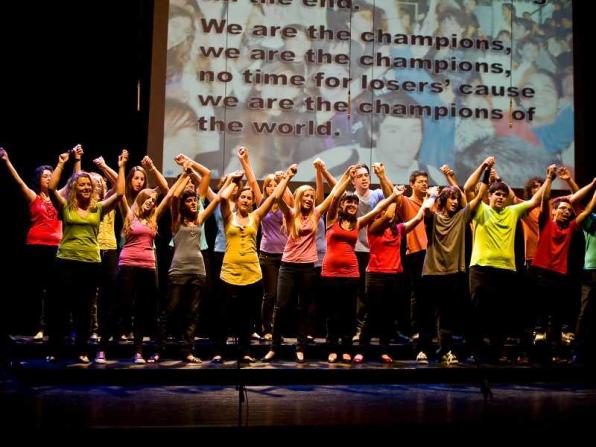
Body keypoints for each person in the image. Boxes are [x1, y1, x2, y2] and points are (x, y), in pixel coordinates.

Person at [96, 163, 187, 364]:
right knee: (120, 305)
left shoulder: (153, 217)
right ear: (140, 200)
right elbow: (120, 192)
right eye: (147, 199)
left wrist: (184, 175)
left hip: (148, 266)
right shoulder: (129, 214)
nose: (151, 203)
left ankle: (138, 351)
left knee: (143, 309)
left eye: (153, 201)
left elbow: (169, 195)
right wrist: (121, 166)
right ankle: (101, 349)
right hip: (128, 264)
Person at [262, 166, 351, 363]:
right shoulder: (290, 213)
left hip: (308, 267)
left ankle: (300, 347)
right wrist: (287, 176)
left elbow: (335, 194)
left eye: (312, 196)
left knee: (304, 308)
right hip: (288, 266)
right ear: (299, 198)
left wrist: (347, 175)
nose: (310, 199)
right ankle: (274, 347)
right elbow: (277, 197)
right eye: (306, 196)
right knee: (281, 307)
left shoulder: (316, 213)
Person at [468, 164, 555, 363]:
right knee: (478, 311)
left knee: (501, 314)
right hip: (481, 268)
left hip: (505, 270)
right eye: (496, 194)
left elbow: (535, 200)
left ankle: (497, 352)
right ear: (489, 196)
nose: (500, 197)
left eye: (503, 195)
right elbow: (467, 188)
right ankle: (477, 352)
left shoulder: (513, 211)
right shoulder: (481, 209)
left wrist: (549, 178)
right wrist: (483, 167)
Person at [46, 149, 126, 363]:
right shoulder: (65, 207)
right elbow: (51, 188)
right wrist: (61, 163)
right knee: (61, 308)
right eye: (82, 185)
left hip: (90, 263)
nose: (86, 188)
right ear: (74, 187)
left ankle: (81, 350)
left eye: (88, 185)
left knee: (84, 309)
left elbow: (119, 193)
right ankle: (55, 349)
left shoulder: (97, 209)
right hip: (66, 261)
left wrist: (121, 167)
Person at [216, 165, 296, 363]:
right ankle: (220, 351)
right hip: (230, 272)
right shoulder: (229, 216)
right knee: (225, 315)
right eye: (242, 197)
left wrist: (287, 177)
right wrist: (234, 181)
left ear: (253, 202)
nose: (245, 200)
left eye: (249, 198)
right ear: (238, 200)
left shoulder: (256, 216)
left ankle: (245, 352)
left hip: (251, 273)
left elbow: (274, 197)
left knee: (246, 317)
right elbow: (223, 198)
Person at [417, 158, 492, 366]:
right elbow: (426, 210)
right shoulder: (433, 218)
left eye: (456, 199)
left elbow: (479, 194)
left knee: (447, 316)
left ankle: (446, 351)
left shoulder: (461, 217)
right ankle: (423, 349)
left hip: (452, 274)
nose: (455, 201)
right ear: (443, 200)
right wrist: (432, 195)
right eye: (451, 198)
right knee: (426, 314)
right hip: (432, 272)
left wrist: (486, 168)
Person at [321, 176, 402, 364]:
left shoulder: (358, 223)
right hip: (331, 273)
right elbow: (334, 196)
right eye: (348, 202)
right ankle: (332, 348)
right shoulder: (332, 220)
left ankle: (346, 348)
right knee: (333, 314)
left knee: (348, 313)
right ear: (342, 206)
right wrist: (347, 178)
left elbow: (378, 210)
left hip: (351, 273)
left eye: (355, 203)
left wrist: (393, 196)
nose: (352, 205)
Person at [0, 146, 78, 338]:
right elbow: (18, 181)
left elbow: (74, 181)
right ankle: (38, 328)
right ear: (39, 180)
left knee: (56, 289)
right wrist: (7, 161)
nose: (49, 178)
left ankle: (54, 328)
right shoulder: (33, 197)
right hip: (36, 246)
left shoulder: (59, 196)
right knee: (37, 290)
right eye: (45, 176)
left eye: (51, 175)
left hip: (56, 247)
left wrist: (73, 160)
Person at [354, 187, 435, 364]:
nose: (389, 212)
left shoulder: (398, 229)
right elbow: (387, 214)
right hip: (375, 275)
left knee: (388, 315)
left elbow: (418, 218)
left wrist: (428, 200)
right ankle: (362, 350)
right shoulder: (373, 227)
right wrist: (394, 197)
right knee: (371, 314)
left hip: (394, 276)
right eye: (384, 210)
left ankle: (384, 350)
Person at [155, 162, 225, 363]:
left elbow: (216, 199)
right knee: (170, 310)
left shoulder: (199, 219)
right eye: (190, 201)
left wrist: (231, 182)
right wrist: (186, 174)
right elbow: (174, 197)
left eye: (195, 200)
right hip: (178, 270)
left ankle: (188, 351)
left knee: (192, 313)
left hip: (198, 271)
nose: (194, 203)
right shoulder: (176, 221)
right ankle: (159, 350)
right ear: (184, 204)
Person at [531, 182, 596, 363]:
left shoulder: (572, 227)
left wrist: (594, 185)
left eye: (569, 210)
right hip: (542, 273)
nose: (566, 212)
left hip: (560, 275)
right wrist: (549, 179)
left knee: (557, 316)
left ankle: (555, 354)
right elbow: (545, 198)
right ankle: (538, 356)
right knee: (541, 317)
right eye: (562, 208)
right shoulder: (545, 222)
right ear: (554, 211)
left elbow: (587, 210)